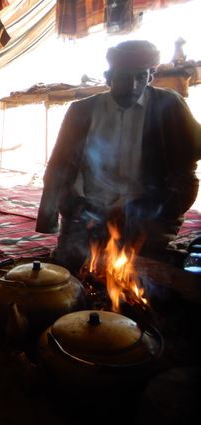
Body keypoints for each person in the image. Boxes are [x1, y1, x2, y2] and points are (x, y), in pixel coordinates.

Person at [36, 40, 201, 274]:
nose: (133, 86)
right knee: (71, 268)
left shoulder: (168, 105)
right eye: (124, 77)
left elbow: (189, 163)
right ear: (108, 77)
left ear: (151, 77)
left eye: (141, 77)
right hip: (91, 212)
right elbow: (59, 168)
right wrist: (65, 213)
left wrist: (164, 206)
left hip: (147, 213)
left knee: (145, 273)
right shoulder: (82, 111)